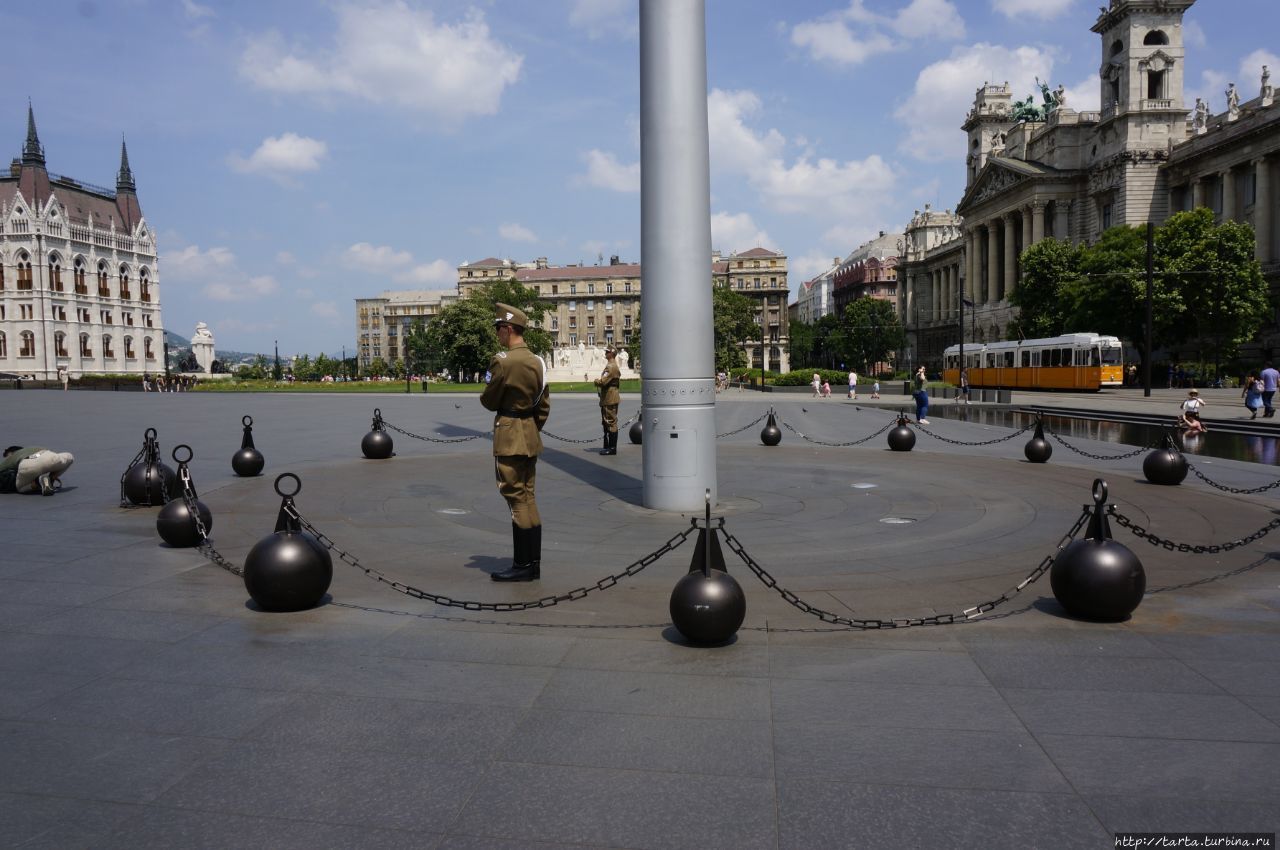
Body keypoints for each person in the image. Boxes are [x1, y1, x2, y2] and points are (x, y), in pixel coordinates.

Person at [480, 303, 551, 582]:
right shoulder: (538, 362)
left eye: (499, 328)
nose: (497, 333)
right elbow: (543, 407)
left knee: (515, 499)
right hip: (530, 434)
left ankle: (522, 565)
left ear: (509, 329)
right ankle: (533, 562)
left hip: (509, 436)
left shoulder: (502, 361)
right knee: (529, 496)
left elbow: (489, 400)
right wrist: (531, 427)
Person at [1, 446, 74, 496]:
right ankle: (51, 478)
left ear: (11, 453)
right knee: (69, 457)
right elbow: (41, 461)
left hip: (27, 465)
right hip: (50, 457)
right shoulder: (34, 448)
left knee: (20, 488)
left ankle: (37, 483)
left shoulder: (13, 456)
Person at [594, 346, 621, 455]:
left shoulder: (610, 366)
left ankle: (612, 448)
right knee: (607, 421)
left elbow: (603, 382)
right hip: (610, 396)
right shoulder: (612, 366)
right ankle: (609, 445)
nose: (605, 353)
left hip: (609, 397)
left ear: (612, 353)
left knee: (610, 421)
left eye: (607, 352)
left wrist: (596, 381)